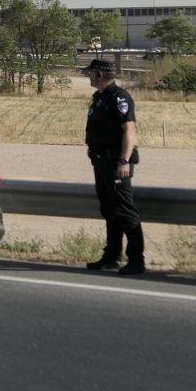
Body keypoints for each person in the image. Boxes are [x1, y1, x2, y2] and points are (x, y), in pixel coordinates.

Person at [82, 58, 145, 276]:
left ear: (100, 75)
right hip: (101, 161)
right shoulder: (99, 98)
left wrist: (124, 161)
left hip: (116, 163)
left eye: (91, 73)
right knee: (110, 209)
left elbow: (129, 130)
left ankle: (137, 260)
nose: (89, 76)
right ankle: (112, 256)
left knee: (125, 211)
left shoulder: (119, 98)